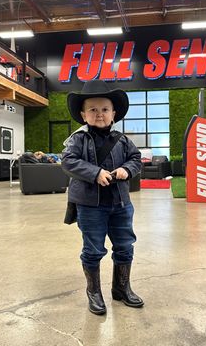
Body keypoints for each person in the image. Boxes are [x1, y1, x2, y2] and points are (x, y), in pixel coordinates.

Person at [61, 79, 144, 315]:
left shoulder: (124, 140)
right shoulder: (76, 139)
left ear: (114, 113)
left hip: (120, 204)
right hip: (90, 206)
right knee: (93, 250)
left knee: (125, 246)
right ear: (83, 114)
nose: (99, 115)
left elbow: (136, 159)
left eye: (105, 109)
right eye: (93, 110)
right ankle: (94, 293)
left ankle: (121, 288)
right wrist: (95, 173)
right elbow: (68, 161)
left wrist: (127, 169)